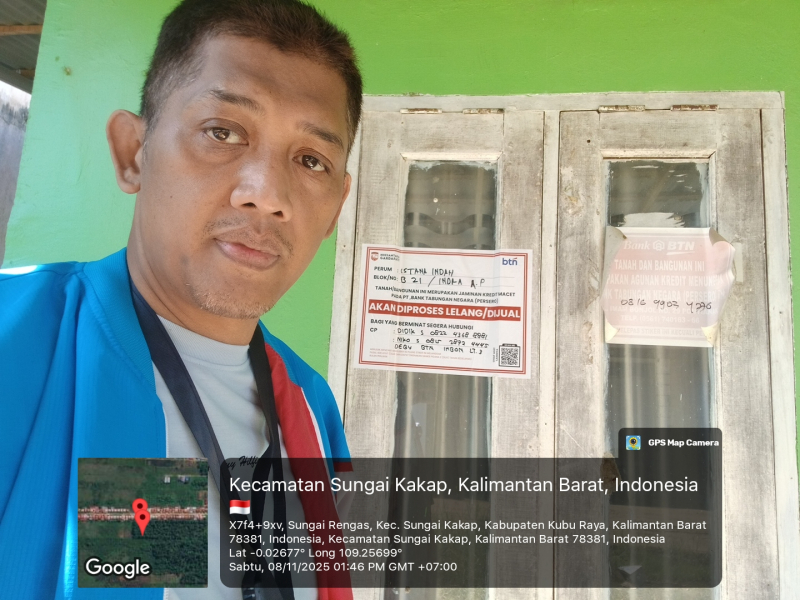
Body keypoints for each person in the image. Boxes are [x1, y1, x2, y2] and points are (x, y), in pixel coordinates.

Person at [0, 1, 362, 599]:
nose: (268, 194)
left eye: (310, 160)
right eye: (223, 132)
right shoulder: (15, 340)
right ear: (133, 153)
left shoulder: (312, 408)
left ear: (335, 211)